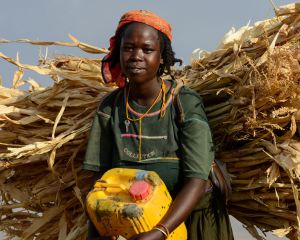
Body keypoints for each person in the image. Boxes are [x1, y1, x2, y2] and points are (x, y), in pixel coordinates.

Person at [83, 9, 233, 240]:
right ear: (118, 52)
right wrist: (99, 232)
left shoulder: (184, 103)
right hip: (132, 225)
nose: (136, 56)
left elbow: (197, 179)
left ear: (162, 56)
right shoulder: (110, 108)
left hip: (191, 222)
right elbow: (99, 182)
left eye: (147, 49)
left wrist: (159, 232)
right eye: (129, 48)